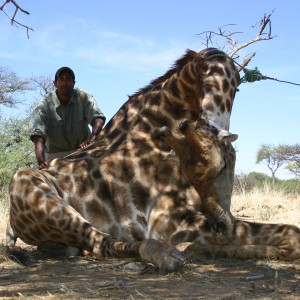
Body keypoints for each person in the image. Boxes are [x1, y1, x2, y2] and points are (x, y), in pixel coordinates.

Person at [30, 66, 106, 169]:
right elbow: (38, 136)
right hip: (55, 157)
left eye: (68, 79)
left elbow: (98, 117)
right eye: (61, 79)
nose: (65, 83)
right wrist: (41, 161)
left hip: (83, 150)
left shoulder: (83, 96)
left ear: (73, 83)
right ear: (55, 83)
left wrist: (92, 138)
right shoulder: (44, 105)